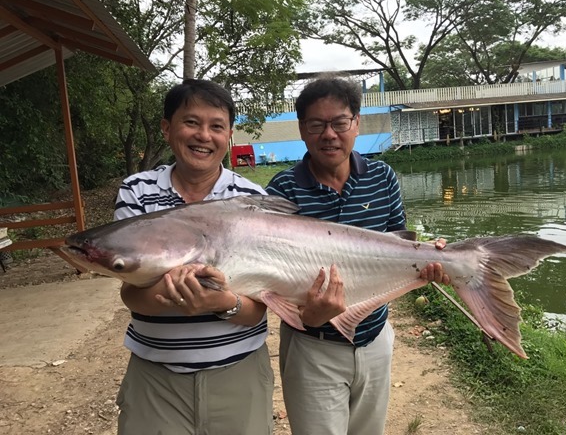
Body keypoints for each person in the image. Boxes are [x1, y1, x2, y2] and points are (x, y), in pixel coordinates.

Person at [266, 76, 450, 435]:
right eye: (317, 125)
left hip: (375, 338)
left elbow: (399, 245)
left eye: (339, 122)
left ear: (356, 124)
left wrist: (426, 261)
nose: (329, 134)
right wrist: (308, 317)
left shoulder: (382, 177)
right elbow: (273, 274)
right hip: (311, 349)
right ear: (303, 130)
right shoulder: (283, 191)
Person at [113, 79, 274, 434]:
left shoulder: (250, 199)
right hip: (155, 379)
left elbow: (257, 309)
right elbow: (132, 295)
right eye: (191, 122)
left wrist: (221, 303)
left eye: (216, 126)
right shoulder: (137, 192)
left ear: (229, 135)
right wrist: (189, 299)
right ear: (167, 128)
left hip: (239, 372)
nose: (204, 135)